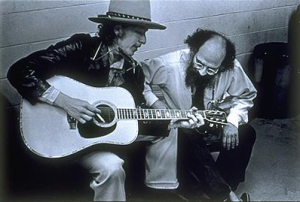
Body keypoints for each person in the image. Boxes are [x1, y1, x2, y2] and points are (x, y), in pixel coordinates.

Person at [7, 0, 189, 201]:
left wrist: (169, 120)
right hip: (57, 136)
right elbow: (19, 71)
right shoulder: (81, 47)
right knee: (111, 166)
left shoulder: (134, 71)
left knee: (128, 158)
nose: (144, 40)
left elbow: (131, 118)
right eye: (139, 32)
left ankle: (158, 193)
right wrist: (64, 101)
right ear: (118, 29)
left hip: (97, 141)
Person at [141, 29, 257, 201]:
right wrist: (156, 103)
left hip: (211, 120)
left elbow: (246, 95)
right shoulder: (169, 63)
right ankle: (225, 196)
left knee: (247, 133)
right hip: (182, 127)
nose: (203, 72)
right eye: (199, 64)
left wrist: (232, 122)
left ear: (223, 65)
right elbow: (137, 78)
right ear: (193, 51)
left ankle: (223, 188)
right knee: (188, 135)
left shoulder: (230, 67)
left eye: (211, 70)